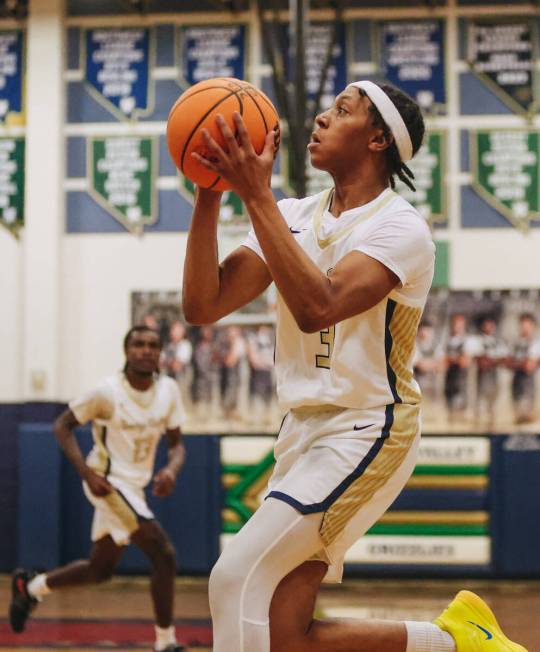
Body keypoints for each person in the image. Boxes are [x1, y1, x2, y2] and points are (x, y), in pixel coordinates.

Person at [182, 80, 526, 652]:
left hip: (367, 428)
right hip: (301, 432)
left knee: (234, 577)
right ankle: (456, 642)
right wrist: (211, 192)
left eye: (341, 110)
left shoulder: (401, 228)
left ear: (377, 140)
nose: (318, 118)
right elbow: (203, 304)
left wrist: (256, 196)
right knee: (287, 635)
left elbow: (319, 306)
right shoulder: (290, 216)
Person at [9, 326, 187, 652]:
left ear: (160, 353)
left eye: (152, 345)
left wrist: (171, 470)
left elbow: (177, 446)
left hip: (136, 488)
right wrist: (87, 474)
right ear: (127, 351)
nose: (145, 350)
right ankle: (166, 643)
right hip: (108, 484)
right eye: (138, 344)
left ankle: (30, 587)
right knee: (164, 555)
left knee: (99, 570)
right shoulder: (106, 392)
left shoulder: (169, 391)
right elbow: (62, 425)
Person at [471, 315, 507, 431]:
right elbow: (480, 361)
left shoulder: (498, 341)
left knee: (494, 408)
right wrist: (494, 360)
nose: (489, 327)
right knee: (480, 408)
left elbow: (504, 359)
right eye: (486, 324)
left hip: (495, 378)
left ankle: (492, 430)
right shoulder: (477, 340)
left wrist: (490, 360)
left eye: (491, 324)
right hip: (481, 379)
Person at [508, 313, 540, 424]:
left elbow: (529, 366)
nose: (525, 328)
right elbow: (509, 362)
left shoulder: (536, 343)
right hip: (516, 381)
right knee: (517, 414)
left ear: (533, 326)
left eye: (527, 325)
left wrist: (519, 362)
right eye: (522, 325)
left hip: (529, 382)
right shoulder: (514, 343)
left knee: (527, 415)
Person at [443, 313, 472, 425]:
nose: (457, 326)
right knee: (450, 413)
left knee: (460, 414)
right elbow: (442, 362)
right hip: (449, 381)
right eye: (455, 324)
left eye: (460, 324)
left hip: (461, 383)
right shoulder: (447, 340)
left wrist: (450, 359)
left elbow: (464, 362)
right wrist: (454, 359)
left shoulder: (468, 340)